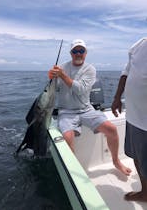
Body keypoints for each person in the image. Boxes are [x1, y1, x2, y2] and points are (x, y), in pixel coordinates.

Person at [49, 39, 131, 176]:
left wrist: (62, 75)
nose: (78, 53)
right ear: (71, 53)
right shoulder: (62, 67)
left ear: (86, 53)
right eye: (75, 51)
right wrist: (51, 78)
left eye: (81, 51)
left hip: (86, 109)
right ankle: (74, 171)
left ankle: (116, 161)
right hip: (66, 111)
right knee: (67, 137)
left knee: (111, 129)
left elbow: (80, 89)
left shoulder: (90, 69)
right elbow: (55, 88)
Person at [111, 37, 147, 201]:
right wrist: (117, 97)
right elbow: (126, 73)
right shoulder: (138, 45)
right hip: (133, 115)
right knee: (136, 156)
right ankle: (145, 192)